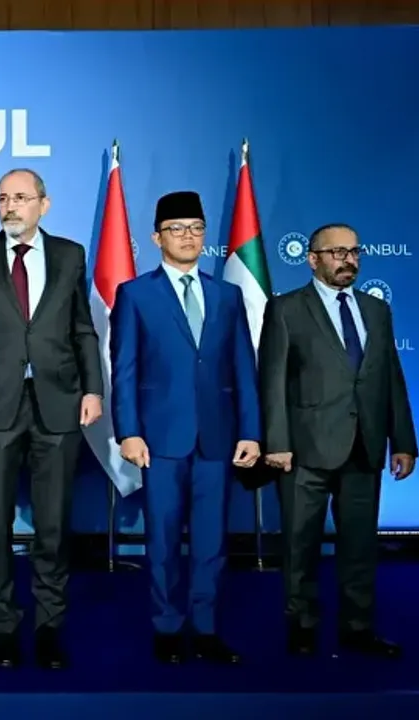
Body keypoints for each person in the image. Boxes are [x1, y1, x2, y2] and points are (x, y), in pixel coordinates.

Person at [0, 169, 103, 669]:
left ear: (43, 204)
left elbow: (82, 328)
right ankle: (4, 627)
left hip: (58, 401)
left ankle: (49, 626)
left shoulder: (70, 255)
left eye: (20, 198)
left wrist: (93, 389)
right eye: (2, 199)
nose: (10, 206)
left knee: (53, 524)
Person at [109, 191, 261, 665]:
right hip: (159, 440)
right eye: (176, 229)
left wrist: (251, 431)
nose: (188, 236)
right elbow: (125, 369)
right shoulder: (135, 294)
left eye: (196, 228)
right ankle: (168, 627)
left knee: (212, 541)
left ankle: (207, 628)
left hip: (217, 438)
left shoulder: (227, 295)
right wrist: (128, 431)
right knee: (163, 540)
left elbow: (243, 368)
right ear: (157, 238)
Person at [259, 223, 415, 659]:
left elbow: (391, 377)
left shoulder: (376, 310)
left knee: (360, 546)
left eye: (354, 252)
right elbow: (272, 380)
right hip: (304, 450)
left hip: (365, 446)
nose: (348, 260)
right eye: (337, 252)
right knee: (300, 545)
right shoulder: (286, 308)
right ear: (313, 259)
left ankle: (357, 627)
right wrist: (276, 442)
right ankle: (302, 626)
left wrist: (403, 441)